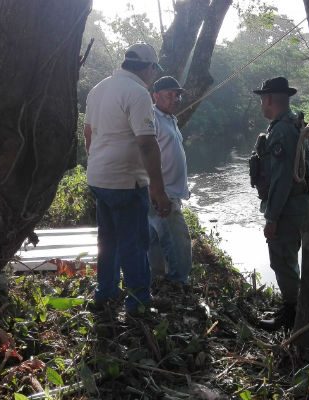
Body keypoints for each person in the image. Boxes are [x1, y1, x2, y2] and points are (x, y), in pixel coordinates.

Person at [84, 42, 171, 315]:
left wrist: (98, 162)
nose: (154, 75)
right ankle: (138, 302)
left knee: (107, 239)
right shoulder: (138, 93)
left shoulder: (98, 89)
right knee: (134, 242)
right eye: (154, 69)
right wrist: (158, 190)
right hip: (126, 182)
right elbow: (146, 144)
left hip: (99, 178)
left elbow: (88, 134)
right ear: (148, 67)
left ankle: (105, 291)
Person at [252, 77, 309, 330]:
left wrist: (272, 218)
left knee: (282, 260)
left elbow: (282, 179)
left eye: (262, 100)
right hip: (298, 205)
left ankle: (292, 315)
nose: (261, 104)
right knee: (288, 258)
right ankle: (295, 307)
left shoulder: (282, 131)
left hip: (288, 209)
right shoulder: (291, 124)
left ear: (268, 100)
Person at [147, 76, 192, 286]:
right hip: (162, 193)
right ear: (155, 96)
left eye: (177, 94)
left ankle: (158, 280)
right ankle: (179, 282)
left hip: (170, 192)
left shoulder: (169, 118)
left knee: (156, 240)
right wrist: (156, 191)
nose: (175, 98)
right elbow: (144, 153)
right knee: (178, 242)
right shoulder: (151, 118)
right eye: (169, 94)